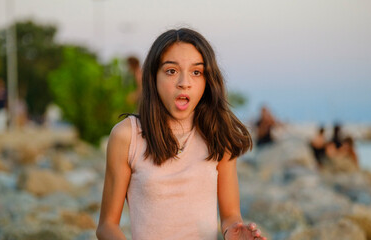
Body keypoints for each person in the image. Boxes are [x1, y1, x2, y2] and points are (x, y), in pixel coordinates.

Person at [96, 28, 267, 240]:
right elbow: (106, 226)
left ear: (207, 81)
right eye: (171, 71)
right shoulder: (126, 136)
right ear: (153, 77)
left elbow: (231, 215)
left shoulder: (218, 134)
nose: (184, 82)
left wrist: (235, 232)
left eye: (196, 72)